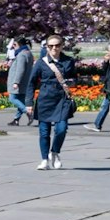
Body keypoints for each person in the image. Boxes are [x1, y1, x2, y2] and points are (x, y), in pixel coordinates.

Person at [28, 34, 77, 169]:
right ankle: (44, 160)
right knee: (44, 132)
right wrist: (28, 103)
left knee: (61, 129)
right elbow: (31, 83)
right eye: (51, 46)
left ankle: (55, 152)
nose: (54, 48)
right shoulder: (41, 62)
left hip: (62, 99)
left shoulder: (68, 61)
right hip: (45, 99)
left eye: (57, 45)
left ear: (62, 46)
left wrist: (71, 82)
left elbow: (74, 77)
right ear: (47, 47)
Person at [7, 37, 37, 125]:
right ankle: (16, 119)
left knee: (12, 98)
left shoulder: (21, 55)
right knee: (20, 99)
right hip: (25, 81)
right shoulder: (28, 53)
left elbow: (20, 69)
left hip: (19, 82)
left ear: (19, 44)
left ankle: (28, 112)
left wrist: (16, 82)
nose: (13, 47)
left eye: (15, 45)